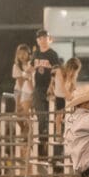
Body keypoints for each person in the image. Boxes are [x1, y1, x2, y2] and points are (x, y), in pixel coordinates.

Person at [31, 29, 63, 158]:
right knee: (41, 118)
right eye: (40, 38)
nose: (42, 40)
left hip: (49, 88)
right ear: (37, 40)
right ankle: (41, 147)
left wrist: (52, 85)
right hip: (38, 88)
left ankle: (51, 149)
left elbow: (56, 70)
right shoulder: (36, 53)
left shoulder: (52, 54)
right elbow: (31, 69)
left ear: (48, 39)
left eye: (44, 38)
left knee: (52, 118)